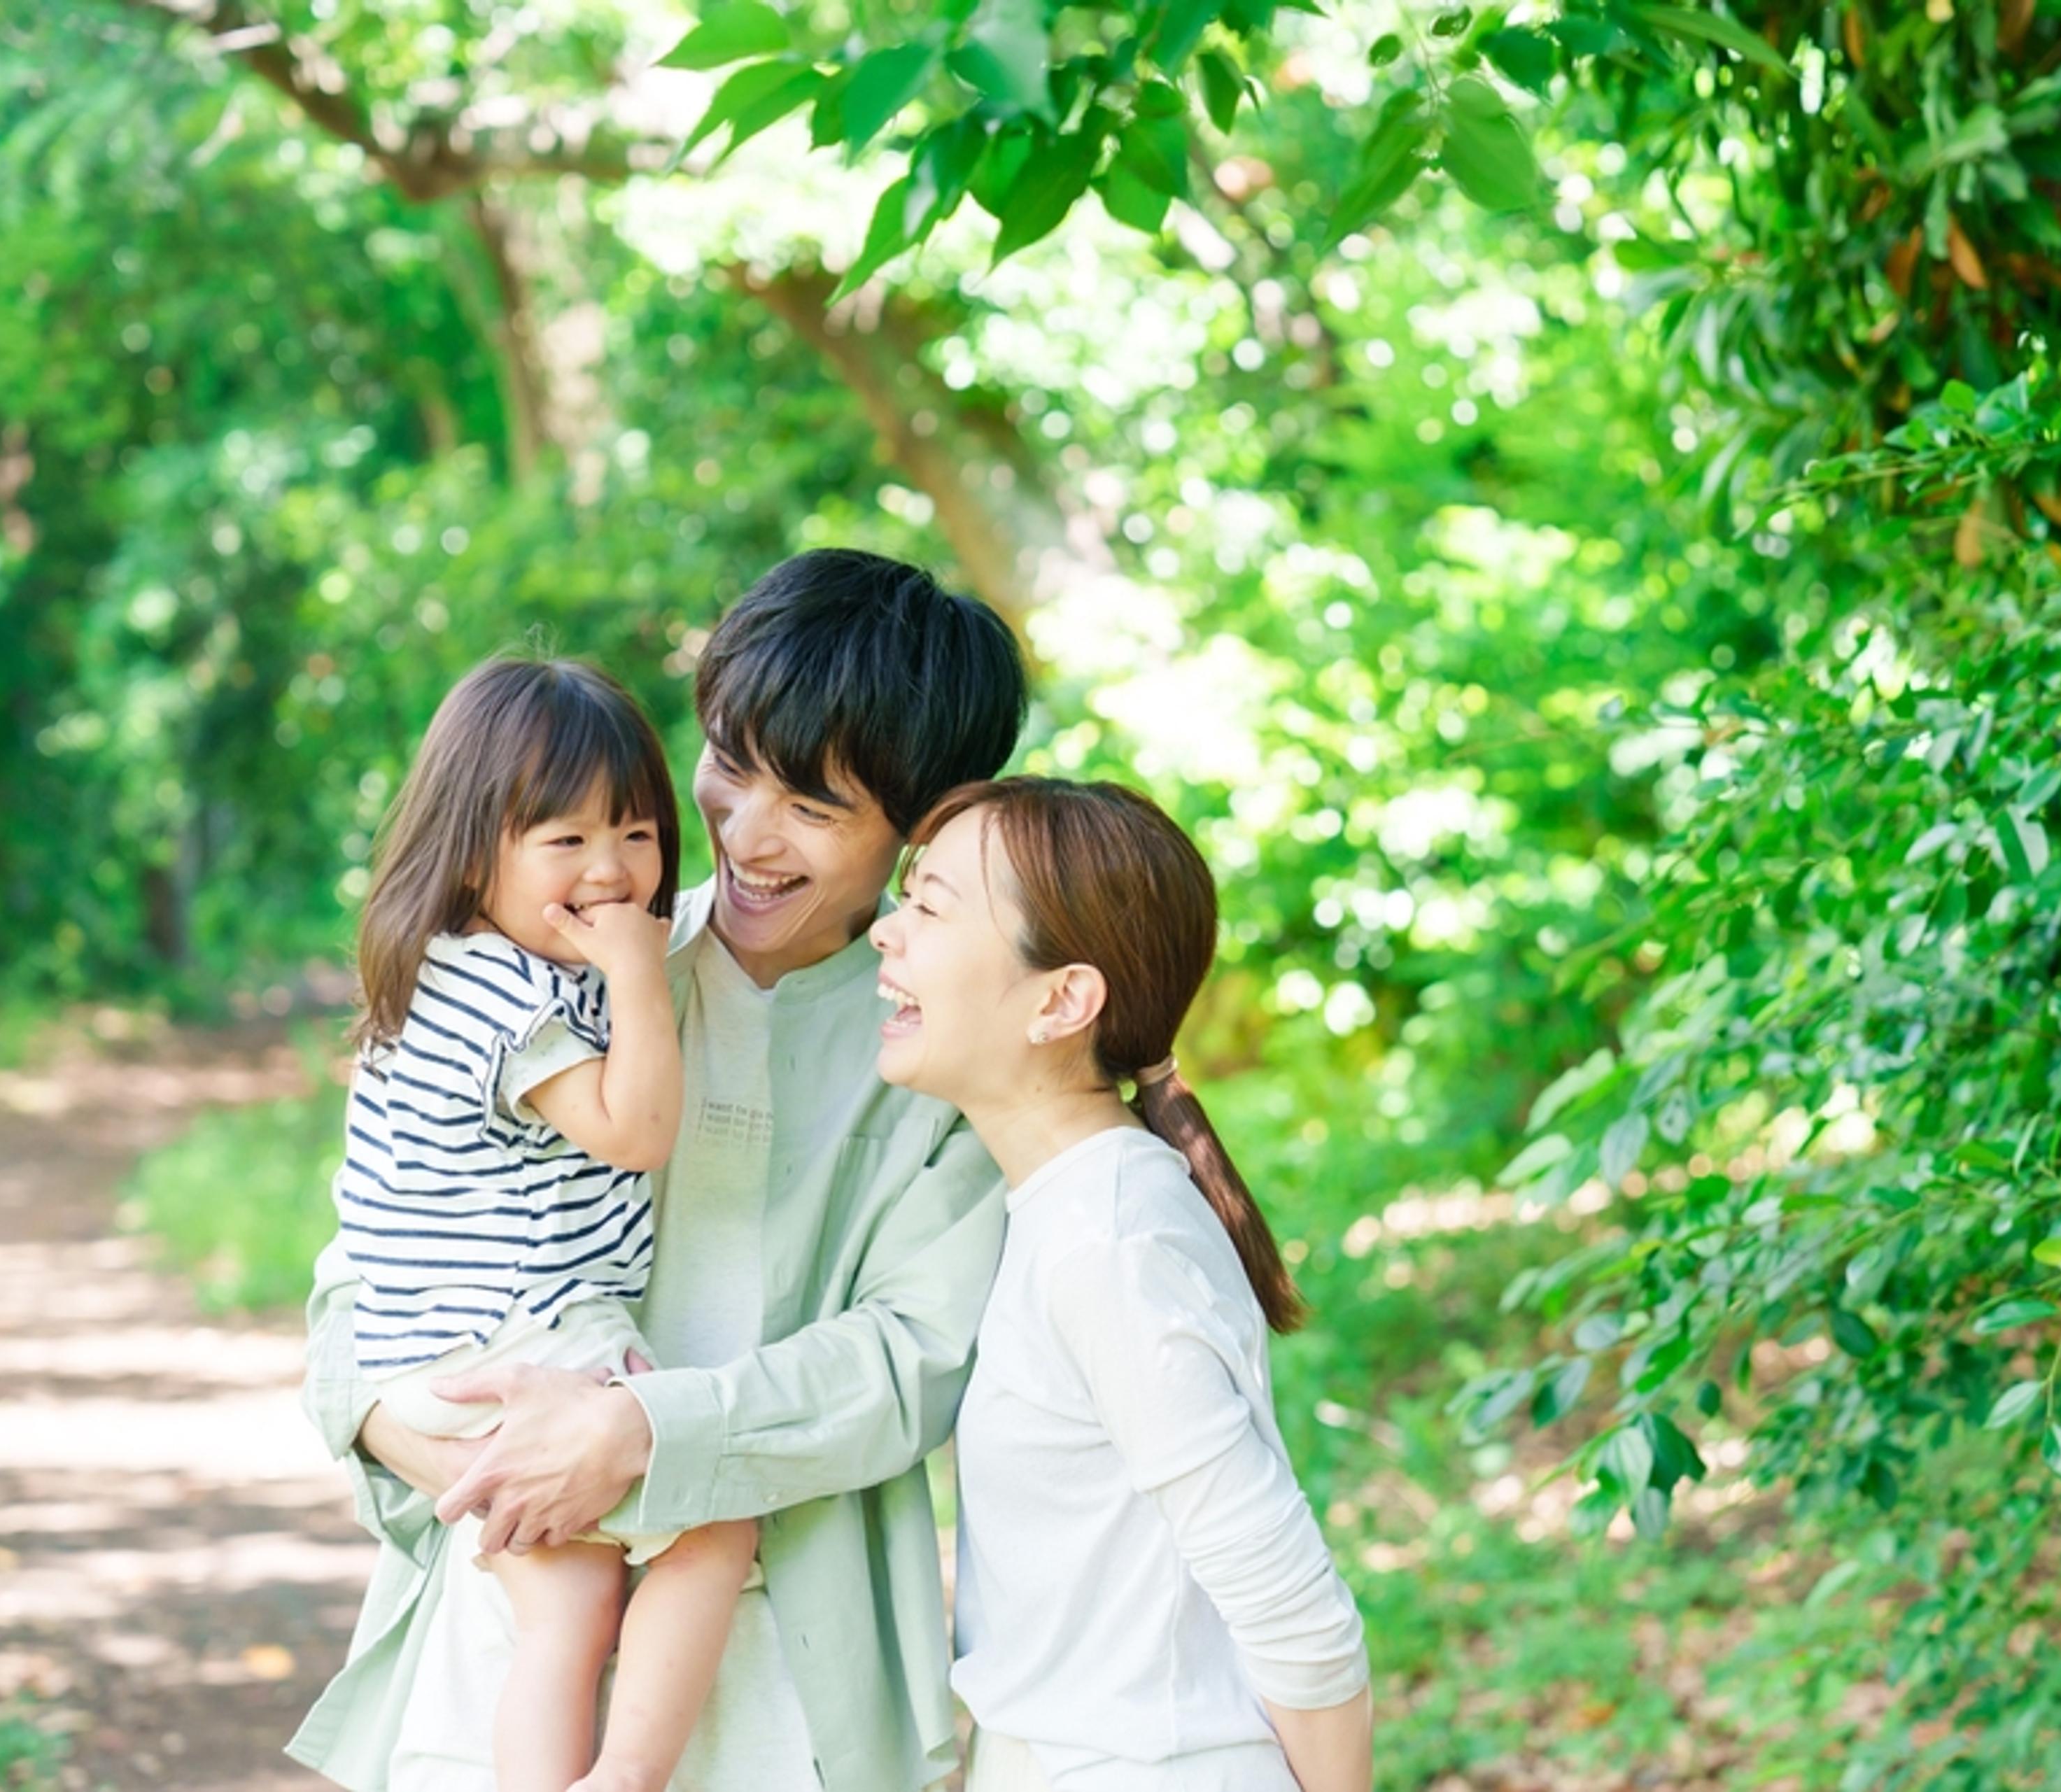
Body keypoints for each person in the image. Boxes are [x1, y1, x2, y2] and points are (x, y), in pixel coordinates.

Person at [288, 549, 1029, 1792]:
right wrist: (400, 1424)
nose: (743, 832)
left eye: (814, 804)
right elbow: (369, 1257)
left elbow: (914, 1359)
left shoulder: (944, 1053)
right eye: (731, 767)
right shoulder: (573, 968)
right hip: (514, 1621)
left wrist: (642, 1433)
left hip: (792, 1675)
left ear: (922, 823)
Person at [868, 777, 1373, 1792]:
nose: (888, 931)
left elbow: (1296, 1612)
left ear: (1062, 999)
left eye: (931, 906)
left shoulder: (1109, 1238)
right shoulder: (1074, 1206)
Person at [319, 656, 755, 1792]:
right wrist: (642, 975)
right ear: (474, 847)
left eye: (638, 835)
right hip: (514, 1343)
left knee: (565, 1601)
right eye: (564, 841)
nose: (611, 872)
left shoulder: (446, 967)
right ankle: (626, 1779)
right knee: (717, 1521)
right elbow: (638, 1128)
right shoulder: (509, 999)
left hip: (432, 1353)